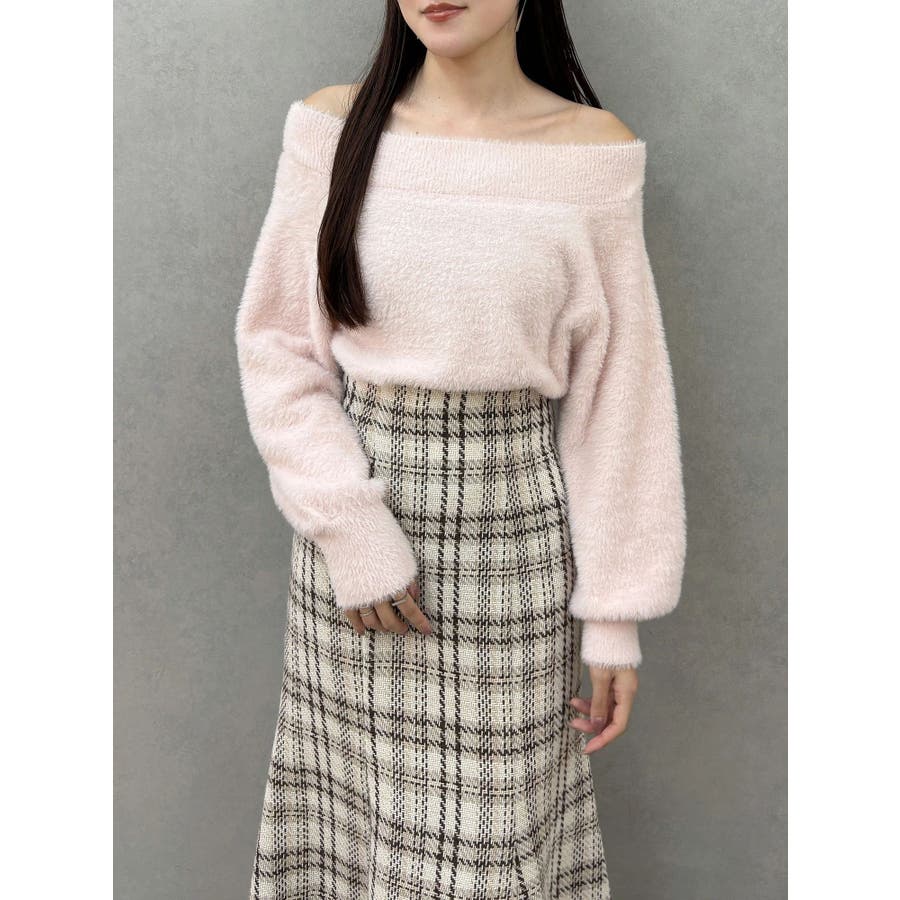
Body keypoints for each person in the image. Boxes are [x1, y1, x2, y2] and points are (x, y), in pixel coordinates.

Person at [234, 2, 686, 897]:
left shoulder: (590, 152)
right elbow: (278, 346)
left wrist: (615, 617)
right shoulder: (333, 126)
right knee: (353, 838)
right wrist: (351, 531)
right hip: (354, 555)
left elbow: (620, 399)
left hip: (513, 552)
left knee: (485, 852)